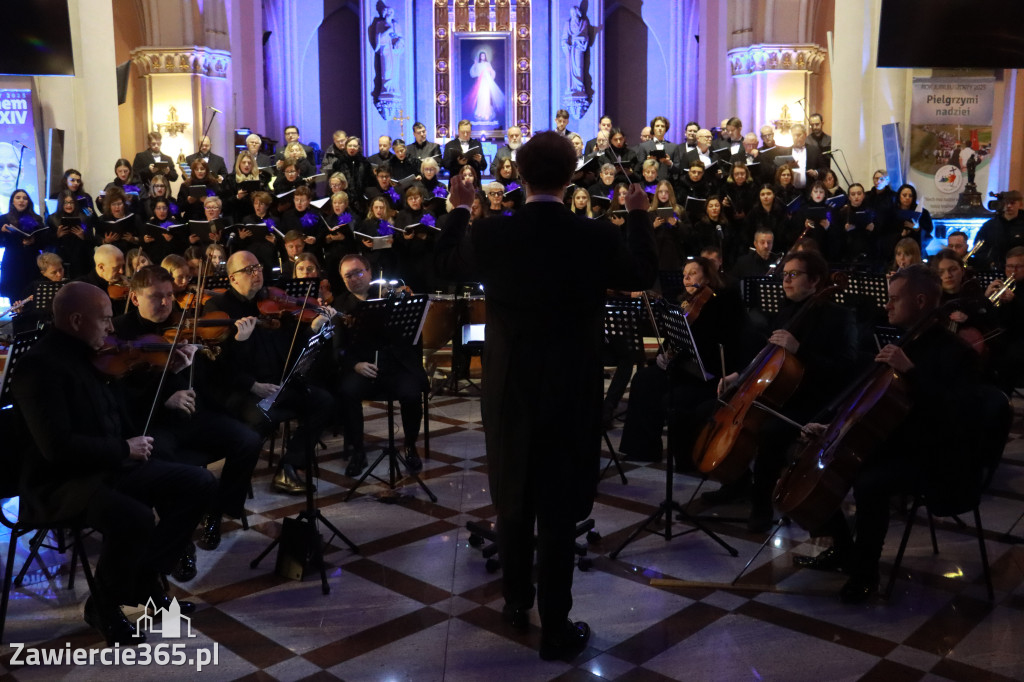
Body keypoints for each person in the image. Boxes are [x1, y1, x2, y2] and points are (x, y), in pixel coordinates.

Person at [434, 131, 657, 660]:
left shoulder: (491, 234)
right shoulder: (595, 236)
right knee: (558, 510)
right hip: (571, 386)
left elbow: (441, 269)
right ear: (574, 174)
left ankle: (515, 602)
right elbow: (644, 274)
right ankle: (555, 627)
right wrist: (640, 216)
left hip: (509, 388)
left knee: (513, 499)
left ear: (520, 174)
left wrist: (461, 211)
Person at [12, 281, 216, 644]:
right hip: (62, 482)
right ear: (76, 320)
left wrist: (165, 373)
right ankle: (104, 606)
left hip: (107, 467)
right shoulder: (39, 366)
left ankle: (143, 583)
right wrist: (124, 450)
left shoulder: (97, 354)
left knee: (199, 483)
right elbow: (57, 448)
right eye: (104, 320)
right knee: (134, 517)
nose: (111, 328)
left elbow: (124, 411)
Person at [793, 265, 983, 603]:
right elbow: (870, 401)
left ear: (921, 300)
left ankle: (865, 574)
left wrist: (911, 371)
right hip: (897, 441)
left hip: (935, 452)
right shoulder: (903, 341)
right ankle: (844, 549)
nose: (887, 306)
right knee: (812, 457)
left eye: (895, 299)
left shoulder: (954, 352)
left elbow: (955, 415)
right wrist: (835, 426)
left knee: (868, 480)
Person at [703, 250, 858, 531]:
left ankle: (762, 504)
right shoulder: (786, 312)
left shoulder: (839, 317)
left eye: (793, 275)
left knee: (770, 432)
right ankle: (737, 483)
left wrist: (800, 350)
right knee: (716, 406)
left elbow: (845, 368)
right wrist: (740, 376)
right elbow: (769, 356)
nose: (785, 280)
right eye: (784, 274)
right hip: (778, 394)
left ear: (814, 281)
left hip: (814, 401)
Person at [113, 265, 262, 554]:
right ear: (135, 298)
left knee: (248, 440)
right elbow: (121, 392)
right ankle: (178, 541)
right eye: (156, 296)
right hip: (153, 422)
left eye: (169, 296)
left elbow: (214, 377)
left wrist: (220, 352)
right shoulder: (121, 332)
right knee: (166, 463)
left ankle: (216, 513)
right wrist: (164, 398)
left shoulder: (186, 325)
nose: (165, 303)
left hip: (193, 417)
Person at [203, 251, 335, 493]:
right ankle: (232, 490)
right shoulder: (219, 308)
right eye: (248, 270)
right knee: (262, 418)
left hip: (278, 384)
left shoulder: (273, 301)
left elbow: (292, 346)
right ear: (232, 279)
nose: (257, 273)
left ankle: (289, 467)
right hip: (242, 390)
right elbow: (217, 367)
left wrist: (313, 330)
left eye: (258, 267)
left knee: (323, 401)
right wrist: (251, 379)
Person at [328, 253, 428, 476]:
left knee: (412, 394)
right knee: (347, 392)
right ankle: (358, 451)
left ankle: (410, 446)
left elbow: (408, 332)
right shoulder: (340, 306)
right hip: (363, 367)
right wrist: (355, 365)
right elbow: (338, 350)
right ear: (343, 280)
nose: (354, 278)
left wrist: (403, 301)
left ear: (369, 272)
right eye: (348, 275)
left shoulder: (387, 296)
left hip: (394, 364)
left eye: (358, 272)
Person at [0, 190, 46, 301]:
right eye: (18, 197)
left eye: (25, 198)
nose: (21, 200)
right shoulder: (3, 219)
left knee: (32, 298)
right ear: (12, 201)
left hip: (31, 262)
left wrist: (33, 241)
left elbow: (44, 243)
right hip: (12, 262)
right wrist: (1, 231)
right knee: (15, 299)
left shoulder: (37, 219)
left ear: (28, 202)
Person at [974, 189, 1024, 270]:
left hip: (1020, 269)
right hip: (995, 268)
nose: (1008, 206)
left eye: (1012, 203)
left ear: (1020, 204)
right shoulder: (990, 225)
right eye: (1005, 203)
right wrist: (989, 262)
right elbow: (978, 247)